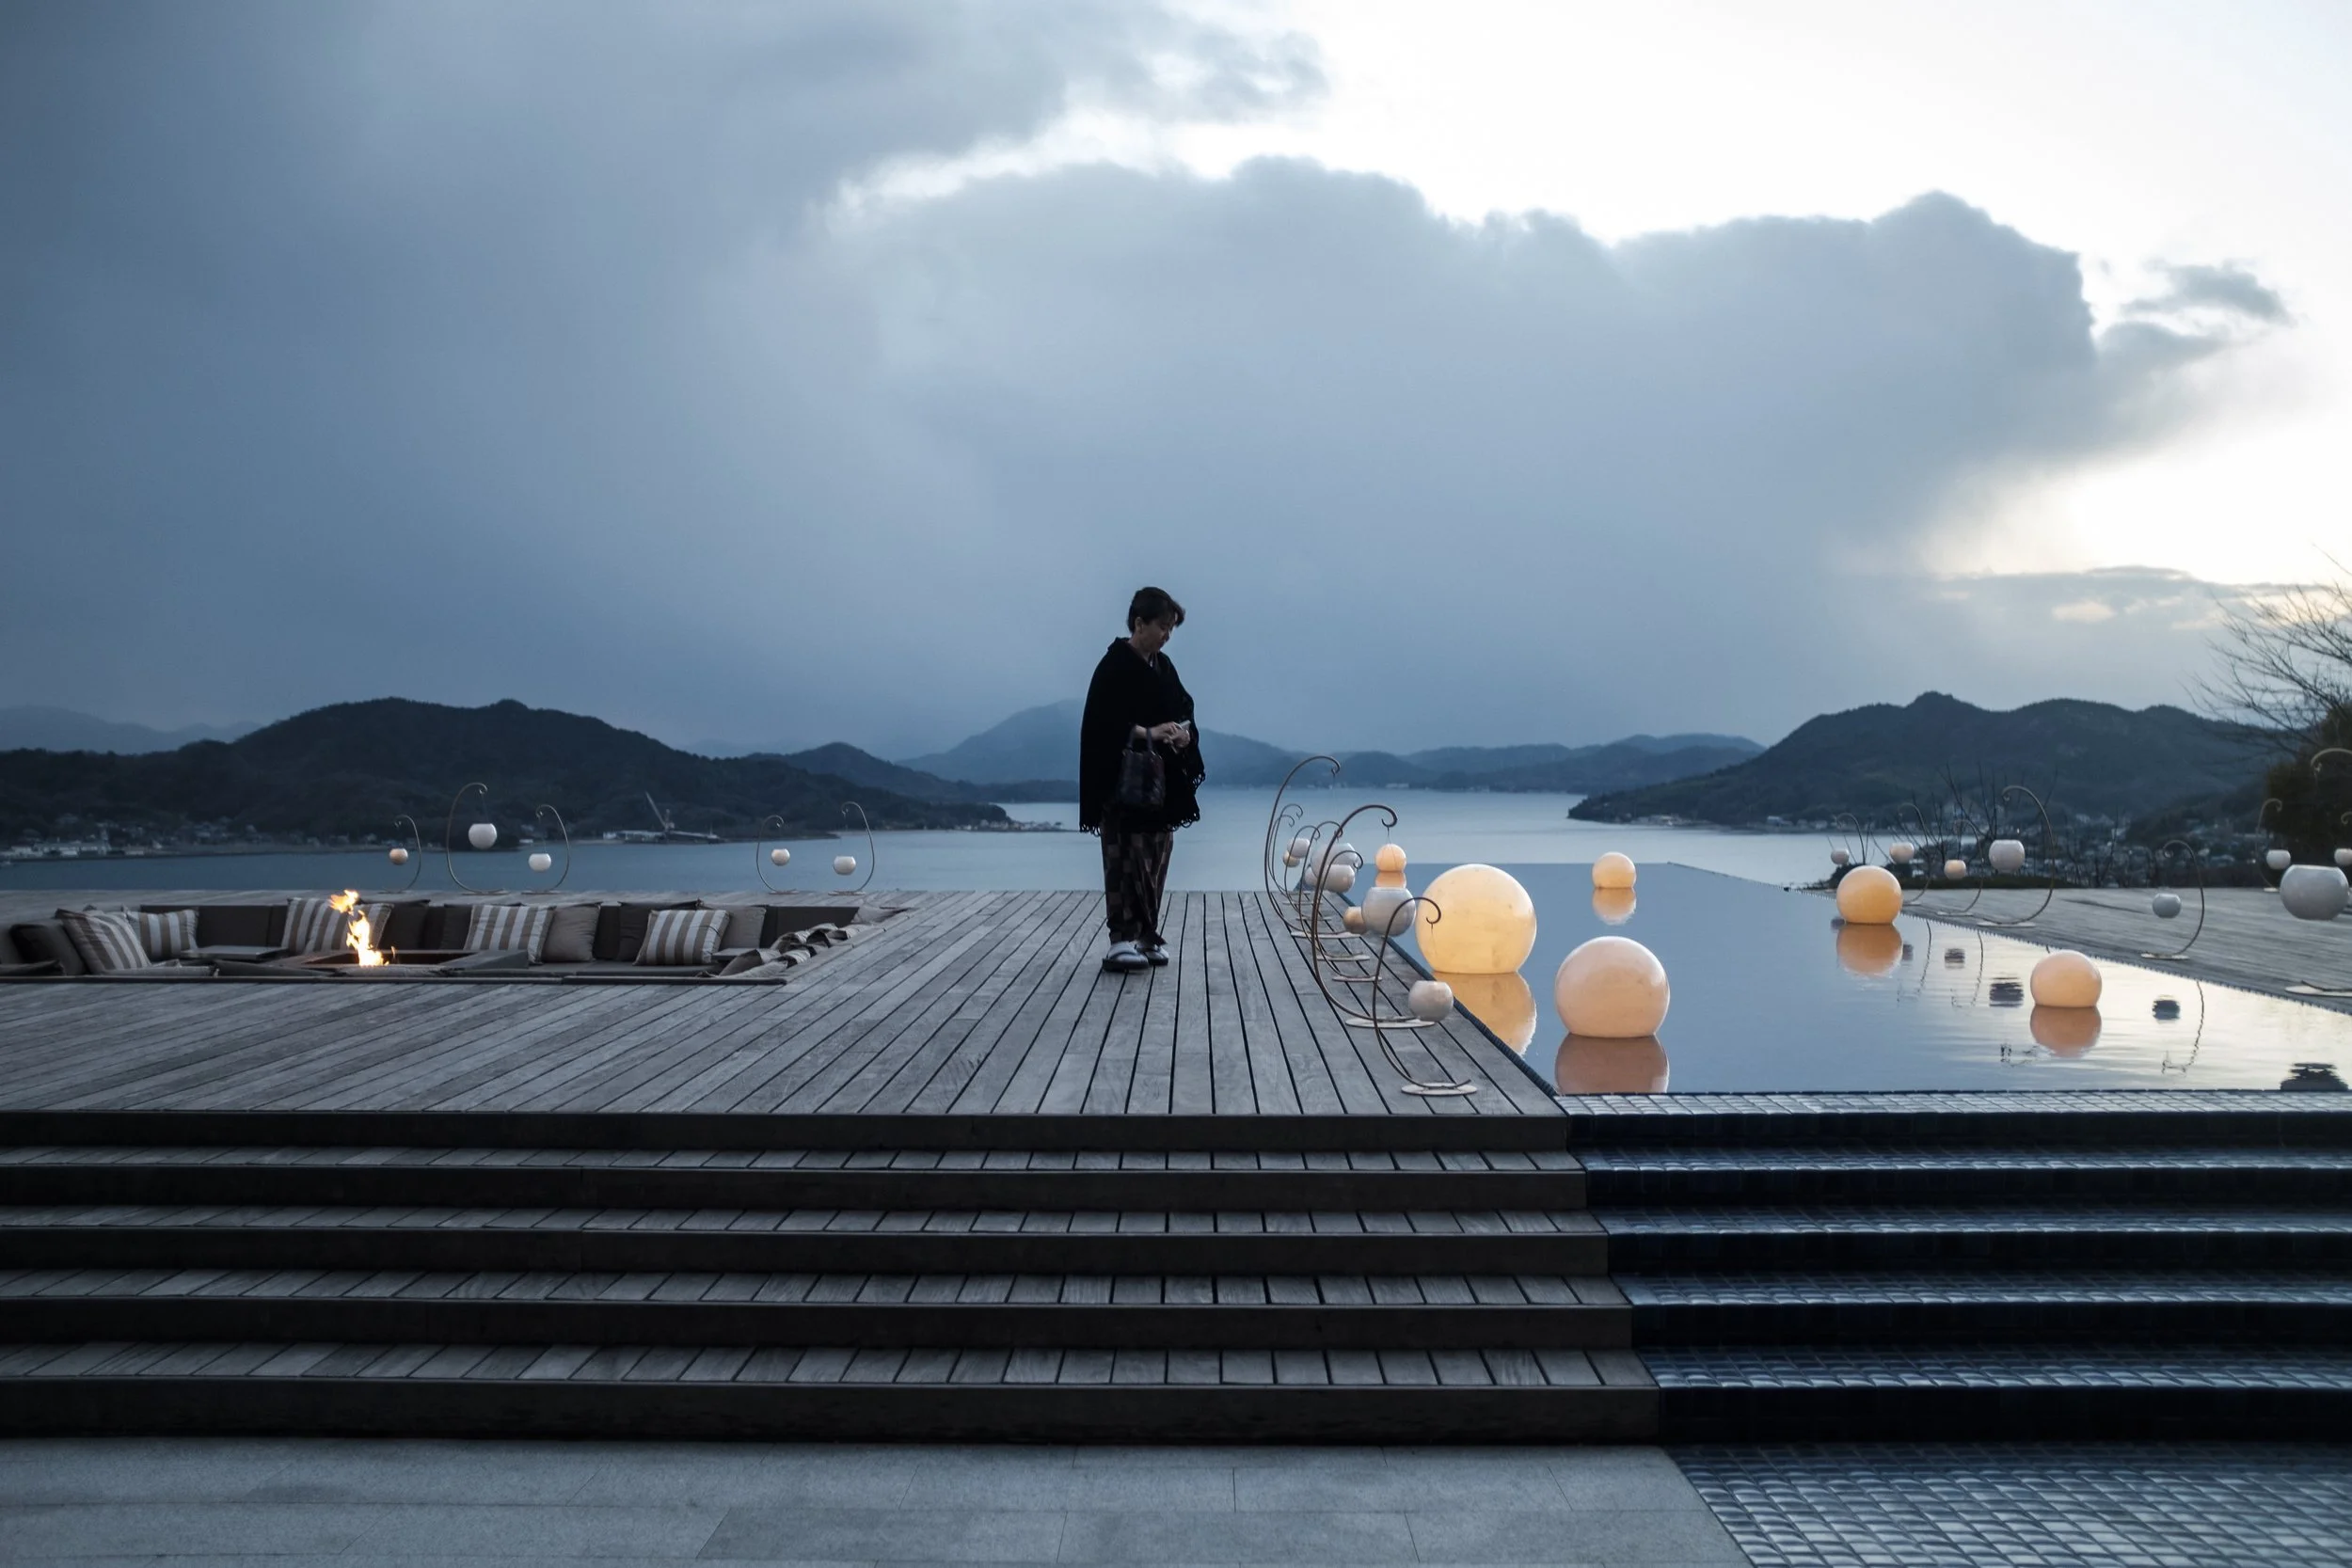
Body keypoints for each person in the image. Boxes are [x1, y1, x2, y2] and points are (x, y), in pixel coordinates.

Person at [1078, 586, 1204, 972]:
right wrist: (1149, 733)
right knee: (1124, 858)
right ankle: (1121, 939)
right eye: (1162, 626)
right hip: (1122, 785)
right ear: (1139, 623)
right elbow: (1101, 724)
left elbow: (1184, 708)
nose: (1166, 635)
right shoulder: (1114, 665)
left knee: (1156, 858)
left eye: (1170, 628)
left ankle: (1147, 935)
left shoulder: (1163, 667)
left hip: (1159, 784)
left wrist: (1184, 731)